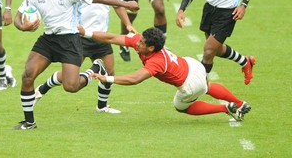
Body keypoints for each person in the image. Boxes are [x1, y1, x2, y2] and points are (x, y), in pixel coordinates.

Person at [12, 0, 139, 129]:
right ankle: (29, 122)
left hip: (69, 40)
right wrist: (23, 27)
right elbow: (18, 17)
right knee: (27, 76)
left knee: (71, 86)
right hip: (48, 40)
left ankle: (95, 70)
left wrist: (126, 4)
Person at [79, 26, 251, 121]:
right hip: (192, 65)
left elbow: (135, 79)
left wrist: (106, 78)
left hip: (190, 83)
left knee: (181, 107)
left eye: (142, 43)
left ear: (151, 48)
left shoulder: (156, 62)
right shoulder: (140, 41)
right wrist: (85, 32)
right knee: (209, 86)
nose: (137, 43)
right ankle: (239, 103)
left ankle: (225, 108)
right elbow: (111, 38)